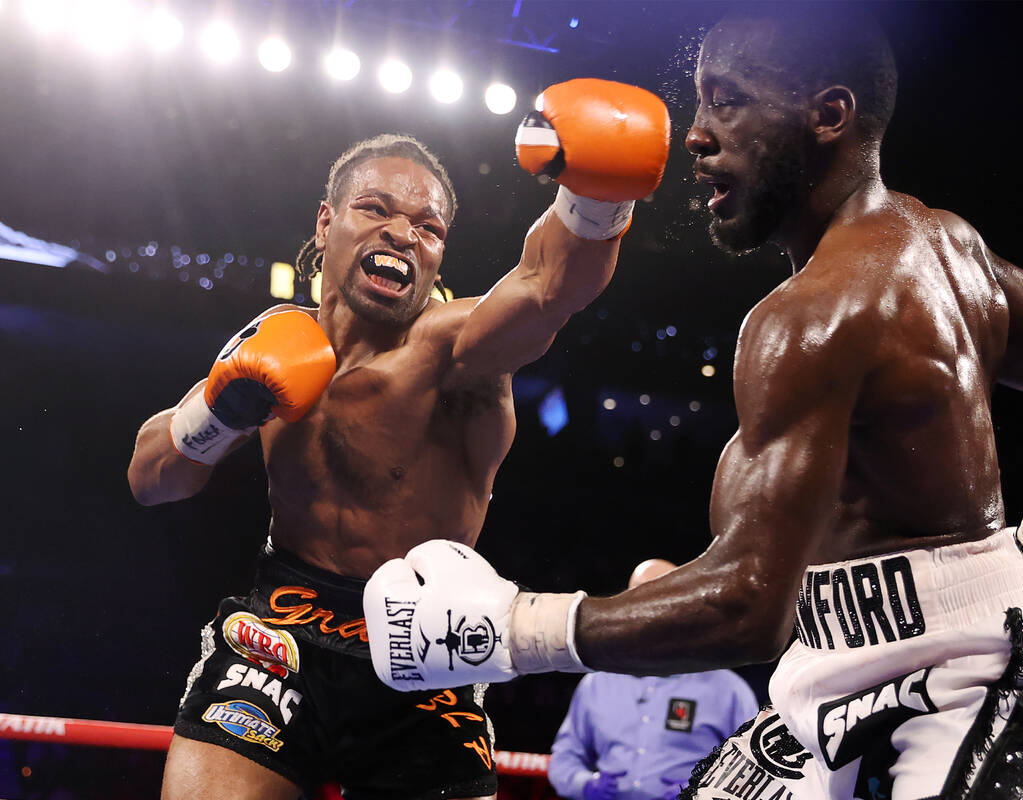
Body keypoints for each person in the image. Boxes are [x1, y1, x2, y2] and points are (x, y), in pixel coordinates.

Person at [362, 6, 1023, 798]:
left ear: (829, 116)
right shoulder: (949, 246)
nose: (696, 134)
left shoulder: (810, 317)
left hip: (969, 669)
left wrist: (510, 629)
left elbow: (749, 606)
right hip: (829, 668)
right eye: (701, 101)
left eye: (728, 100)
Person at [126, 78, 670, 800]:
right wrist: (222, 413)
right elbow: (151, 477)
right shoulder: (278, 340)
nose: (402, 232)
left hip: (428, 650)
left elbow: (546, 286)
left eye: (428, 226)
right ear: (325, 223)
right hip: (280, 634)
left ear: (440, 253)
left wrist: (597, 195)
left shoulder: (455, 349)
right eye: (375, 208)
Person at [548, 560, 759, 800]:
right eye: (638, 598)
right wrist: (585, 784)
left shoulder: (727, 690)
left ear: (686, 606)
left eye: (661, 598)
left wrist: (704, 790)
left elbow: (754, 769)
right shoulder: (598, 684)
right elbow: (565, 758)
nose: (648, 610)